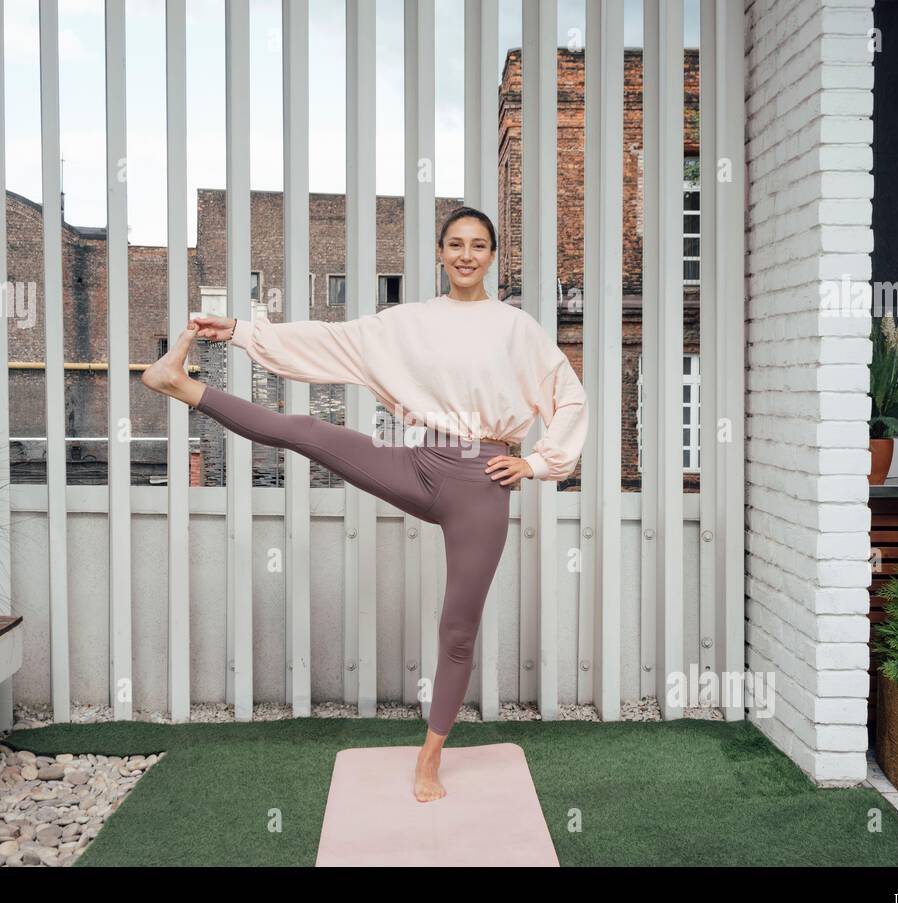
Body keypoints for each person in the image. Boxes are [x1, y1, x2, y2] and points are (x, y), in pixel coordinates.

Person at [140, 207, 588, 802]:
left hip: (481, 482)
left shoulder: (516, 328)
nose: (465, 255)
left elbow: (570, 398)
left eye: (478, 246)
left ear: (492, 255)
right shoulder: (408, 322)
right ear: (439, 251)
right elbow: (332, 343)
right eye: (455, 244)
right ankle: (180, 384)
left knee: (459, 628)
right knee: (304, 432)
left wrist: (534, 463)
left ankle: (430, 759)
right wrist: (245, 332)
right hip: (418, 462)